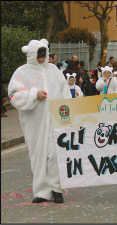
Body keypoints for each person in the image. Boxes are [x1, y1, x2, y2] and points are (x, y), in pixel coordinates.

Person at [7, 38, 71, 203]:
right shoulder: (21, 73)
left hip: (55, 119)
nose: (42, 57)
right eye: (39, 53)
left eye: (44, 53)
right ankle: (42, 192)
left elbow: (65, 90)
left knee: (55, 154)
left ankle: (57, 189)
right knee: (38, 155)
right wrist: (34, 95)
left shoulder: (54, 71)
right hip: (34, 122)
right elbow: (14, 95)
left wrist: (69, 111)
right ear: (32, 54)